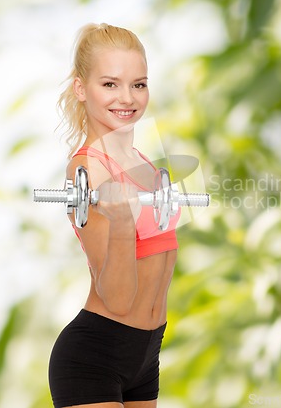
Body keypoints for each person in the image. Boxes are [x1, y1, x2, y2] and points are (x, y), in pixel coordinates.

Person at [48, 23, 181, 408]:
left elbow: (162, 261)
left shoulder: (148, 165)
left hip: (146, 353)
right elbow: (119, 299)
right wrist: (123, 222)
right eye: (110, 84)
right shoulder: (88, 168)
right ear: (80, 88)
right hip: (95, 356)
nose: (127, 97)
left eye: (138, 84)